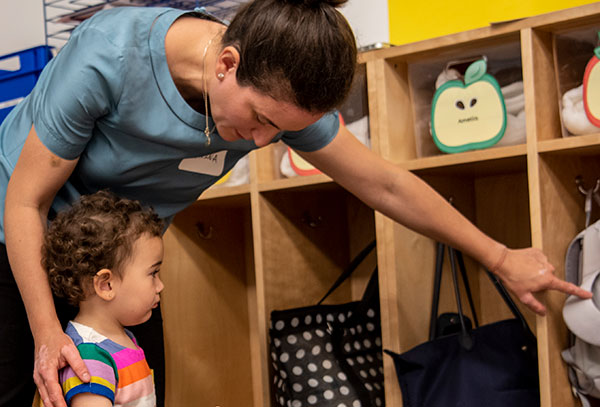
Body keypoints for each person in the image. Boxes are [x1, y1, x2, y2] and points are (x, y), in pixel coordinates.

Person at [0, 0, 591, 406]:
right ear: (227, 64)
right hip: (18, 242)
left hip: (119, 266)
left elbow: (383, 184)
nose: (263, 141)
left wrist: (498, 256)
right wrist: (47, 333)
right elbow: (25, 203)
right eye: (259, 120)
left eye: (279, 131)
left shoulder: (277, 101)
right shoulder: (111, 54)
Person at [41, 190, 164, 406]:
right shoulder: (90, 358)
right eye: (153, 273)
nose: (160, 286)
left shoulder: (121, 340)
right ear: (106, 285)